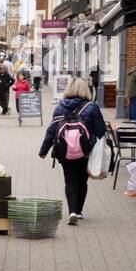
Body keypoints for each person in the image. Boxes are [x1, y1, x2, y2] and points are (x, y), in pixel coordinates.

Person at [38, 76, 106, 226]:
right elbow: (101, 130)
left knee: (70, 181)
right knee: (82, 180)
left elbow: (52, 130)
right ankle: (79, 211)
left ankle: (72, 212)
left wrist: (43, 150)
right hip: (86, 151)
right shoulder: (91, 107)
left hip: (64, 151)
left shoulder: (60, 107)